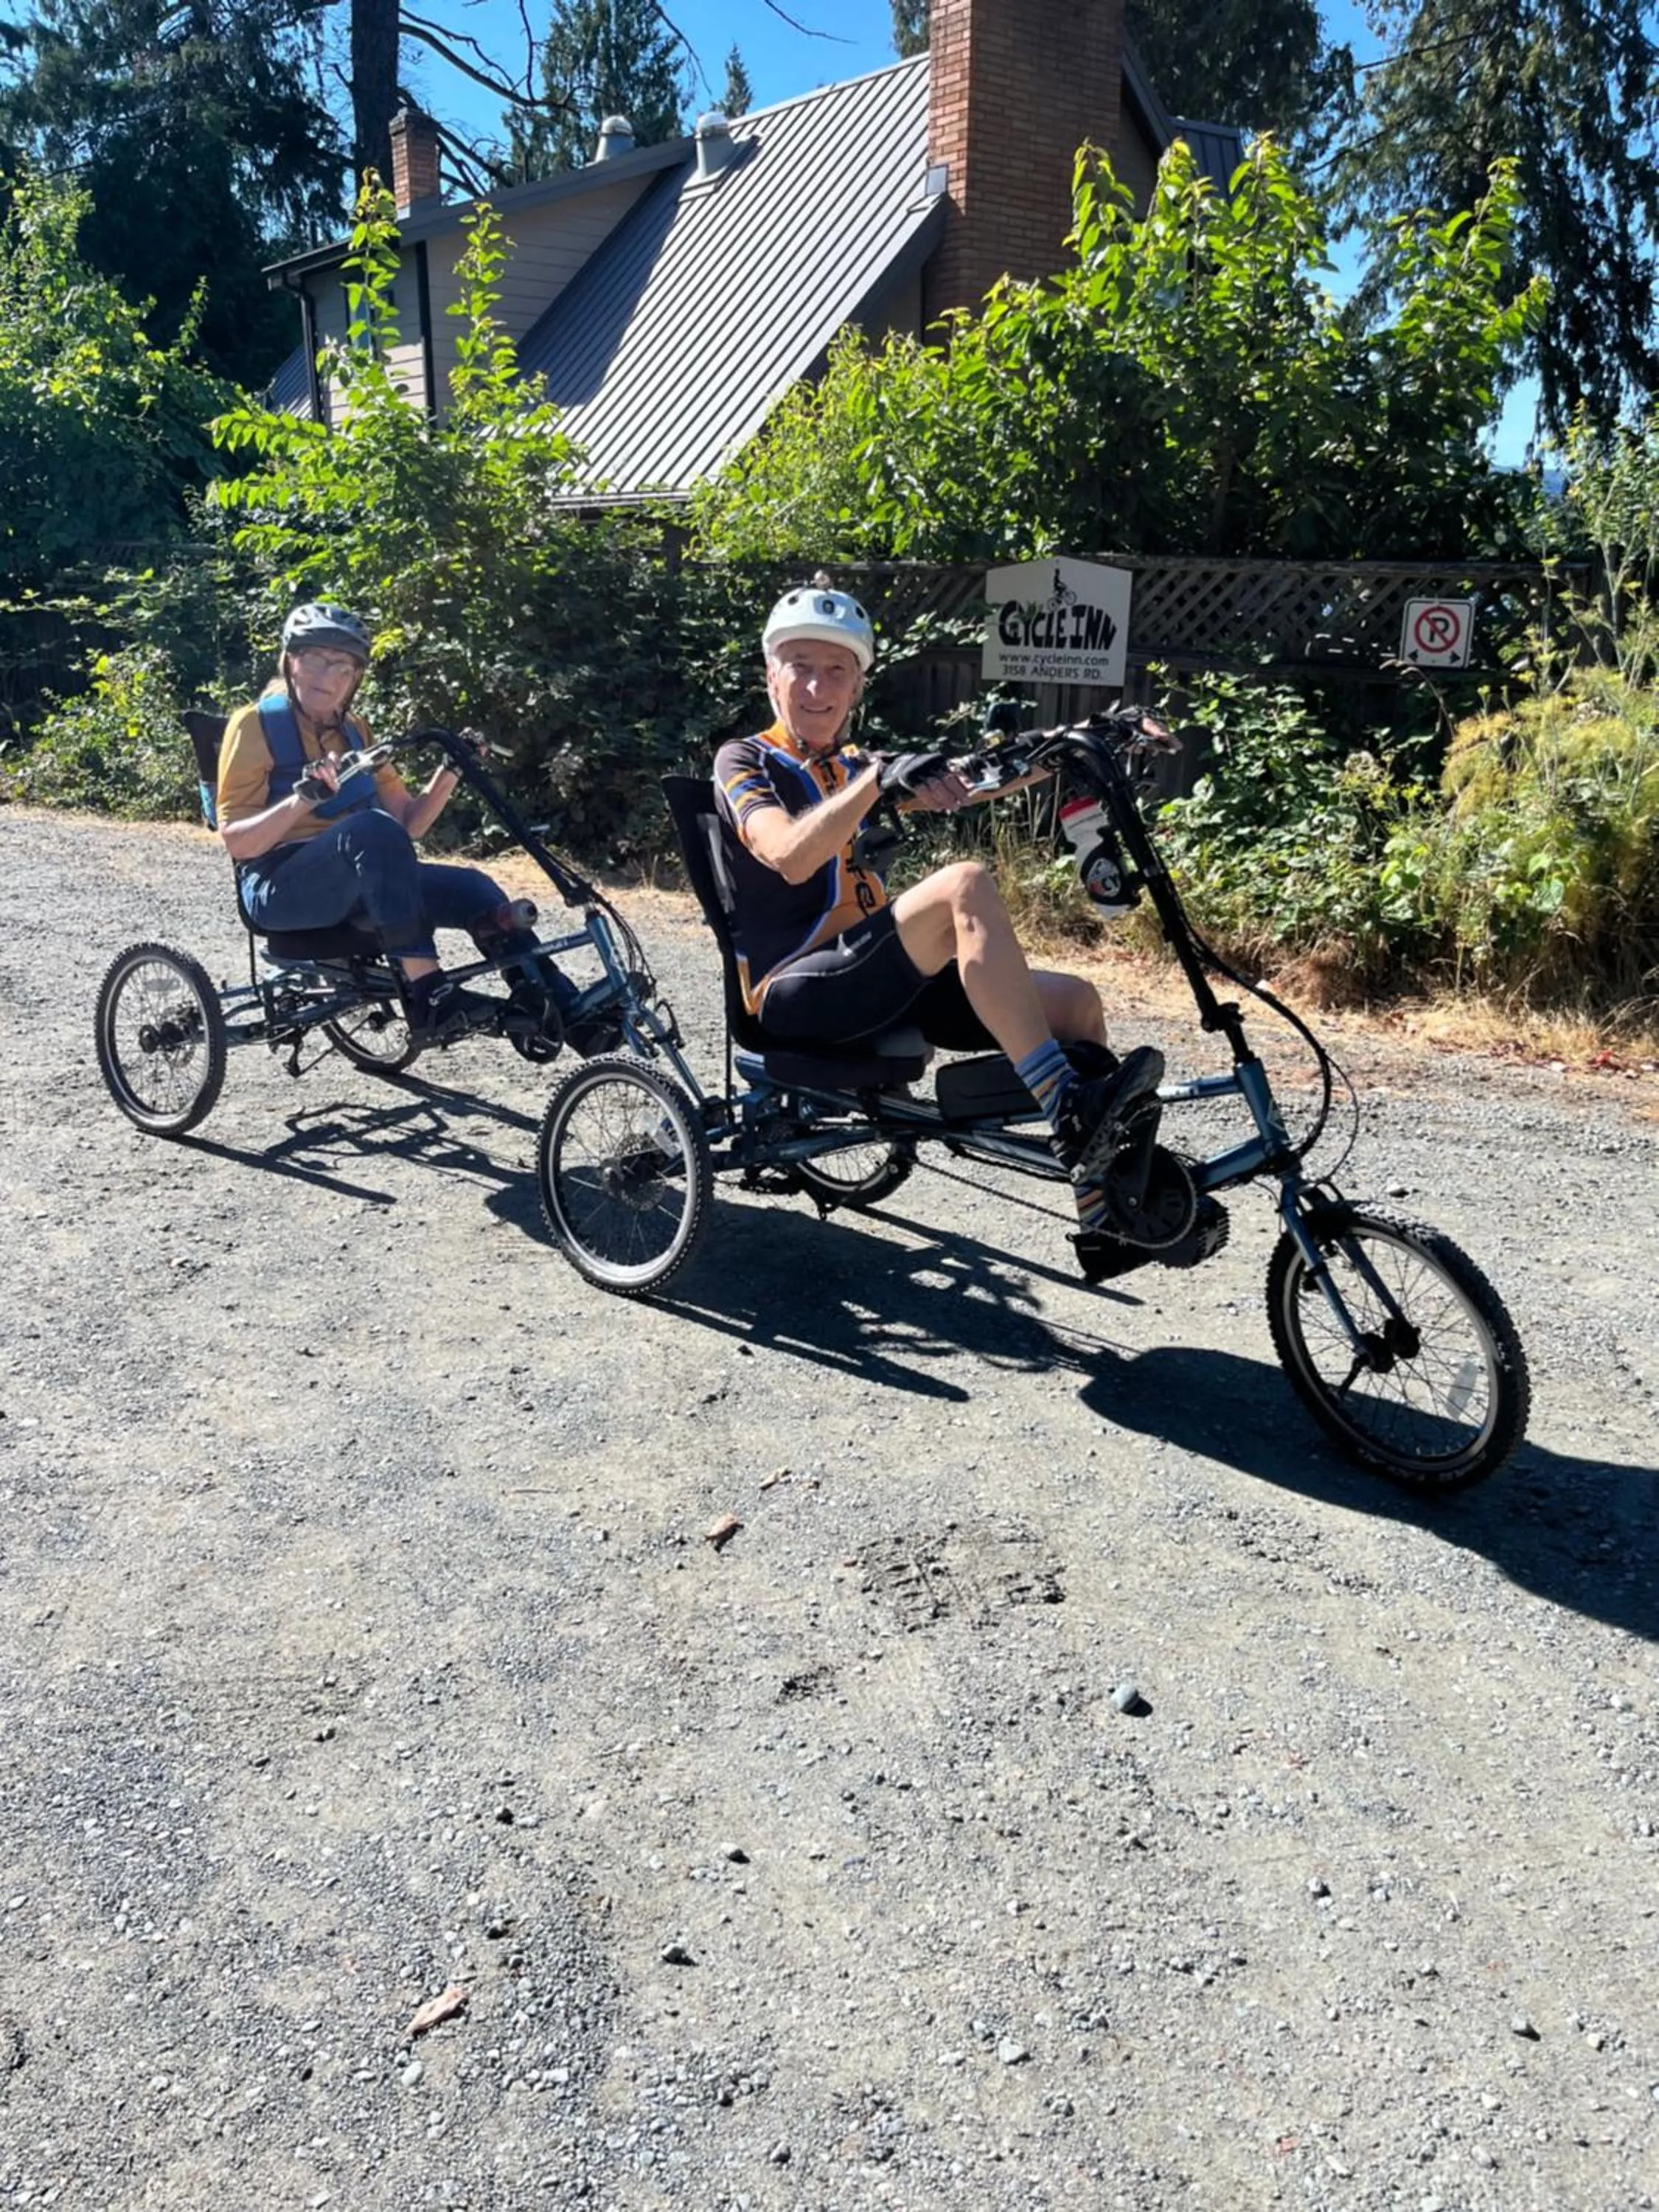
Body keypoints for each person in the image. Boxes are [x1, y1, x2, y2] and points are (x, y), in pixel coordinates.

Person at [712, 581, 1166, 1255]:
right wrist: (878, 780)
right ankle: (1064, 1107)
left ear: (858, 686)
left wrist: (1074, 743)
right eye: (800, 665)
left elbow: (971, 780)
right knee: (965, 885)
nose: (817, 685)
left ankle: (1102, 1216)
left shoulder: (855, 765)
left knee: (1077, 1005)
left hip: (881, 984)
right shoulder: (744, 759)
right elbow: (787, 855)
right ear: (770, 673)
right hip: (799, 992)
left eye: (836, 669)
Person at [215, 603, 570, 1044]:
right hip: (279, 887)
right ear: (291, 661)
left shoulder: (356, 732)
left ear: (356, 680)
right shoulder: (254, 726)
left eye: (344, 668)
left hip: (362, 881)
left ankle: (562, 1007)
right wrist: (301, 801)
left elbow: (409, 823)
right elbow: (238, 844)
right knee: (370, 829)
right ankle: (427, 993)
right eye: (318, 660)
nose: (331, 677)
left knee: (473, 889)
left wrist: (451, 769)